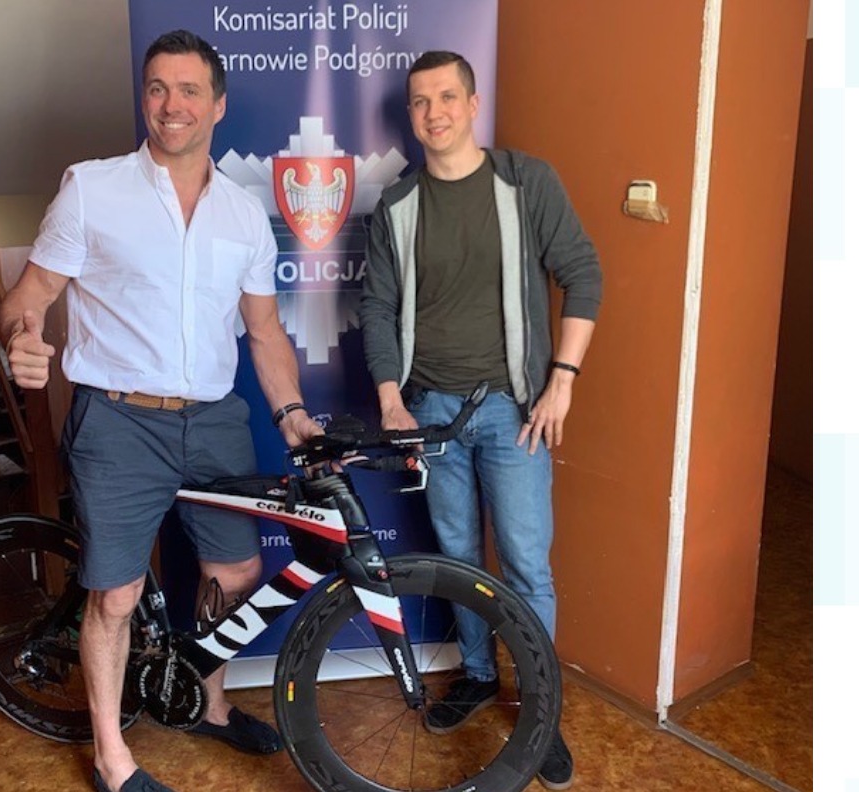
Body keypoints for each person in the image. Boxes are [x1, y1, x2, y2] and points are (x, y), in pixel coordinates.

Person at [0, 29, 324, 792]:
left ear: (218, 105)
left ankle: (209, 704)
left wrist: (291, 415)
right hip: (118, 420)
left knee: (236, 571)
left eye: (188, 90)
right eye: (156, 88)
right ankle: (112, 758)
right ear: (143, 98)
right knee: (115, 594)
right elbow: (28, 298)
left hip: (213, 419)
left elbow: (265, 332)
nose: (170, 104)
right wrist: (20, 338)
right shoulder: (92, 189)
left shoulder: (244, 214)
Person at [358, 50, 602, 791]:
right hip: (431, 412)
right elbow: (377, 308)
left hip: (512, 412)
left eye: (446, 97)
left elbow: (583, 274)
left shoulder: (526, 183)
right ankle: (476, 674)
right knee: (458, 558)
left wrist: (562, 382)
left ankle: (538, 711)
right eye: (420, 101)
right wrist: (391, 400)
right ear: (411, 115)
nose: (433, 112)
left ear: (472, 104)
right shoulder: (397, 207)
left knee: (525, 563)